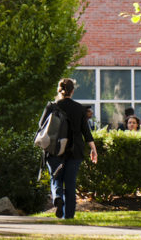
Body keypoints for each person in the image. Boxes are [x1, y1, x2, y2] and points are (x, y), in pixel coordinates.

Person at [41, 78, 98, 219]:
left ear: (59, 90)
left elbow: (41, 126)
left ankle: (58, 197)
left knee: (56, 178)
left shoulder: (51, 107)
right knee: (71, 183)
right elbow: (86, 131)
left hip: (55, 149)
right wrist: (93, 149)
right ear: (72, 91)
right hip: (75, 150)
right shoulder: (80, 109)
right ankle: (69, 216)